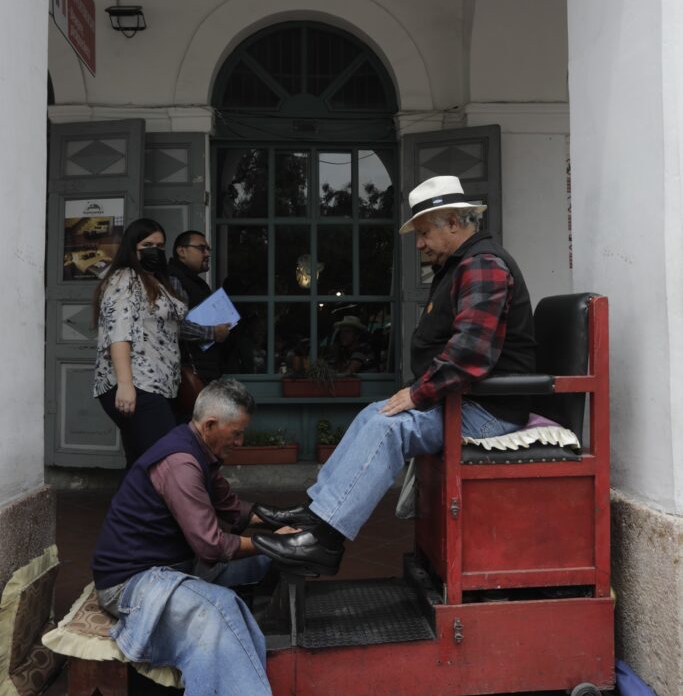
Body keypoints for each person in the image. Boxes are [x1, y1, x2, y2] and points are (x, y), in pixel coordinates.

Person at [251, 174, 537, 575]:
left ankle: (325, 543)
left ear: (453, 223)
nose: (419, 244)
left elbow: (470, 353)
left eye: (423, 233)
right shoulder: (462, 265)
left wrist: (418, 394)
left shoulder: (484, 266)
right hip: (467, 399)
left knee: (389, 428)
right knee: (375, 413)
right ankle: (317, 515)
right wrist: (415, 394)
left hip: (489, 409)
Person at [91, 378, 339, 696]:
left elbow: (233, 510)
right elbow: (212, 546)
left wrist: (286, 523)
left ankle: (245, 677)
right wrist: (271, 542)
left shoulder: (199, 451)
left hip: (174, 567)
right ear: (209, 425)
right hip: (134, 584)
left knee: (264, 562)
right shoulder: (181, 464)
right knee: (219, 608)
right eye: (236, 432)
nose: (241, 441)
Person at [94, 218, 189, 468]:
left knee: (143, 463)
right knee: (167, 460)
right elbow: (119, 333)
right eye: (147, 244)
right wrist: (126, 385)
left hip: (160, 384)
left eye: (160, 245)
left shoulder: (157, 281)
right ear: (131, 247)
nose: (154, 251)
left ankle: (126, 508)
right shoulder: (124, 280)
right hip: (137, 384)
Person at [168, 230, 230, 401]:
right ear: (182, 251)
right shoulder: (174, 279)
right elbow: (175, 326)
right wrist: (213, 333)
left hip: (204, 369)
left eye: (208, 249)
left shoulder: (196, 281)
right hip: (188, 372)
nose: (207, 253)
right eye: (201, 248)